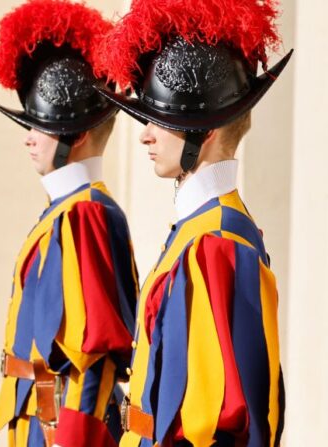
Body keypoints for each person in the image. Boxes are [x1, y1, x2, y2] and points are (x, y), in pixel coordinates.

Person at [95, 0, 292, 445]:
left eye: (161, 121)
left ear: (204, 132)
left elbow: (221, 423)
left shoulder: (216, 243)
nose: (145, 133)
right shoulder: (200, 230)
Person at [0, 2, 140, 446]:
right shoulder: (67, 209)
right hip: (41, 417)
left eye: (40, 124)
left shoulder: (84, 213)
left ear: (78, 133)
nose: (28, 137)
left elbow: (92, 354)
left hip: (60, 428)